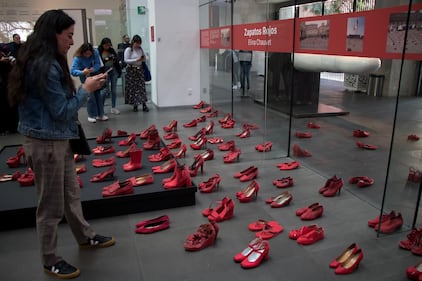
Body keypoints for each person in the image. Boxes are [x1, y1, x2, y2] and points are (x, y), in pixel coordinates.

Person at [8, 10, 115, 279]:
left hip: (56, 140)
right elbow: (62, 110)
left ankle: (85, 236)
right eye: (68, 36)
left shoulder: (44, 61)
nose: (71, 41)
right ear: (53, 34)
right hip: (46, 143)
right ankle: (50, 259)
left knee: (70, 194)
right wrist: (86, 90)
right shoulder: (44, 66)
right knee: (51, 207)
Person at [71, 43, 109, 122]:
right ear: (82, 52)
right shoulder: (77, 58)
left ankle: (100, 114)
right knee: (90, 95)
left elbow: (98, 64)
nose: (88, 55)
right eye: (86, 54)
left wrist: (93, 69)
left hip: (94, 73)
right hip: (84, 75)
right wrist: (82, 72)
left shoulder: (95, 52)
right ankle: (91, 115)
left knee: (98, 94)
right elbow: (73, 71)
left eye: (89, 53)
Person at [124, 34, 148, 112]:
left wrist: (143, 58)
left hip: (139, 70)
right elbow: (126, 60)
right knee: (133, 88)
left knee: (141, 87)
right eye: (136, 43)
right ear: (133, 42)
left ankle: (144, 104)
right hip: (131, 70)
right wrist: (135, 60)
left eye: (139, 43)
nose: (138, 45)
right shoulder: (128, 49)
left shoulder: (140, 49)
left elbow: (145, 58)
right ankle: (135, 104)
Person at [98, 37, 122, 115]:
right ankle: (101, 109)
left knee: (114, 90)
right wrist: (106, 60)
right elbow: (99, 62)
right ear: (103, 44)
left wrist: (114, 58)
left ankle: (113, 107)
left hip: (113, 70)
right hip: (104, 71)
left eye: (109, 45)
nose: (107, 47)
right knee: (105, 90)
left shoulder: (111, 50)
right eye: (106, 45)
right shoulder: (99, 51)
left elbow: (117, 59)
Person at [0, 43, 18, 134]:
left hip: (9, 84)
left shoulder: (9, 57)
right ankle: (4, 128)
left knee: (11, 106)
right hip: (3, 85)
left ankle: (12, 127)